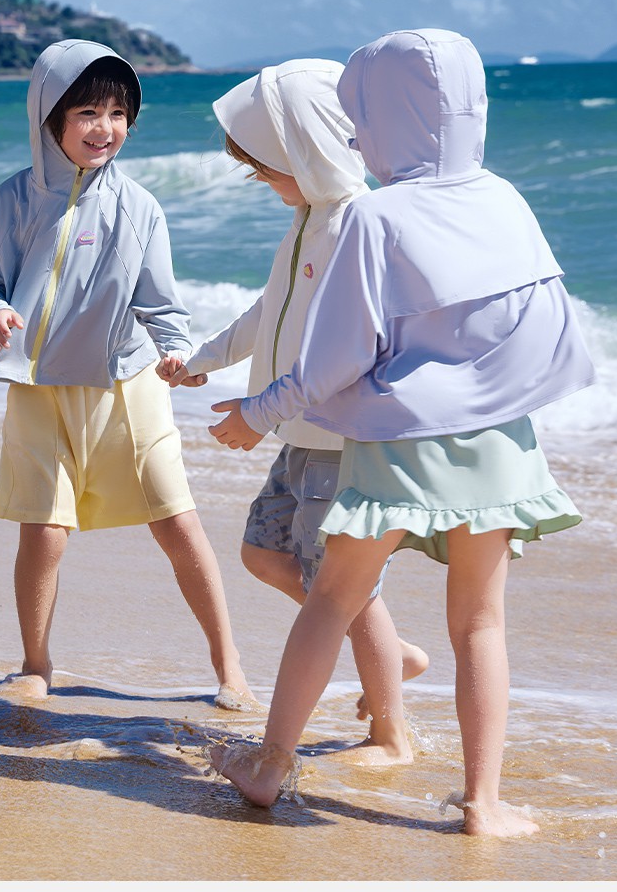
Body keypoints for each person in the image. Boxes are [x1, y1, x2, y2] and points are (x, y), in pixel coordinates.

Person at [206, 29, 595, 835]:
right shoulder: (505, 199)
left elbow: (336, 357)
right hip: (501, 442)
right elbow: (548, 322)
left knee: (331, 599)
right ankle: (483, 802)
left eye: (362, 119)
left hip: (400, 439)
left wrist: (257, 412)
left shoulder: (375, 216)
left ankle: (269, 766)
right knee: (480, 621)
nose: (356, 139)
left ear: (380, 119)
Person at [0, 38, 253, 708]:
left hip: (128, 386)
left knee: (176, 521)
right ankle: (36, 664)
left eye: (119, 114)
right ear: (51, 117)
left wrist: (178, 354)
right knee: (44, 531)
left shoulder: (139, 206)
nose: (105, 128)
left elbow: (161, 303)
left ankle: (229, 664)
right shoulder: (12, 200)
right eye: (88, 112)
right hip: (38, 388)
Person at [165, 60, 428, 763]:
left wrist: (257, 410)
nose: (261, 181)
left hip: (341, 441)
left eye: (267, 169)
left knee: (345, 590)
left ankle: (391, 733)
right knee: (263, 553)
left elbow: (350, 347)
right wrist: (205, 358)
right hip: (300, 435)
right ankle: (389, 651)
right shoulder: (307, 220)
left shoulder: (357, 226)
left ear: (307, 152)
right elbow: (269, 311)